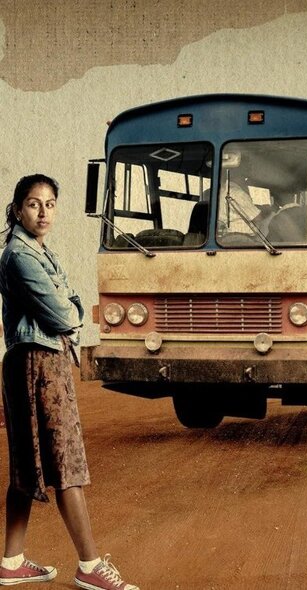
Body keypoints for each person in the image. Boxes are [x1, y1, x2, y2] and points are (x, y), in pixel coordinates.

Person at [0, 174, 139, 589]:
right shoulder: (21, 256)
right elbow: (65, 314)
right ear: (17, 210)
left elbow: (69, 302)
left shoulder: (39, 250)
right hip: (38, 362)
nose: (43, 212)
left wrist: (69, 305)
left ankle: (11, 561)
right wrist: (71, 309)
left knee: (29, 465)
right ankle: (90, 566)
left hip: (40, 360)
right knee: (66, 464)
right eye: (33, 204)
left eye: (50, 204)